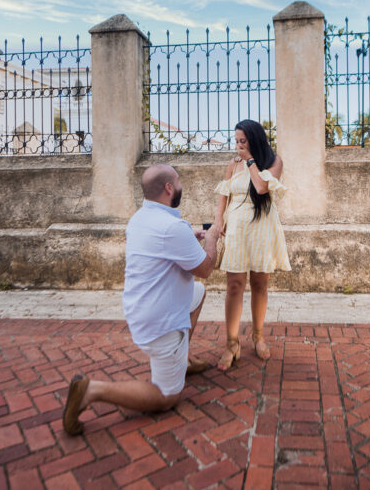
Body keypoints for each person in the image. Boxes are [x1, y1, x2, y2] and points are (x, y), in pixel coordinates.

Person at [62, 164, 220, 436]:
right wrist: (212, 239)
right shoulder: (172, 227)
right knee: (167, 397)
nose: (180, 186)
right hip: (160, 324)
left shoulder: (138, 219)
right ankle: (93, 390)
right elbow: (205, 269)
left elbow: (163, 251)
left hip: (140, 310)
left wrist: (190, 238)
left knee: (197, 293)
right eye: (178, 182)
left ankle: (181, 359)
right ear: (169, 188)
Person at [211, 119, 290, 370]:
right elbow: (224, 195)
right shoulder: (231, 165)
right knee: (234, 284)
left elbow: (261, 187)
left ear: (255, 139)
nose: (238, 146)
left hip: (262, 227)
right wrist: (217, 221)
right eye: (236, 141)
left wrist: (250, 161)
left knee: (259, 283)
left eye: (242, 141)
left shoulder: (273, 161)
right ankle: (232, 343)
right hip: (237, 228)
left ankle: (258, 336)